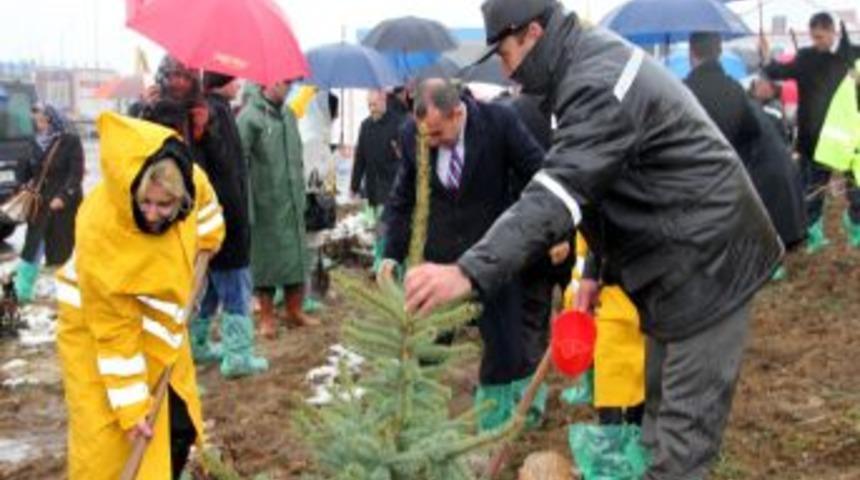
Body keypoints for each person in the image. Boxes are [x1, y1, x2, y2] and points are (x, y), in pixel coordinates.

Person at [403, 1, 782, 478]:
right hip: (675, 258)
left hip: (708, 258)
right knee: (660, 412)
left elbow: (559, 191)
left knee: (682, 442)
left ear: (533, 34)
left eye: (503, 53)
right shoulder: (577, 71)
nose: (504, 69)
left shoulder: (599, 82)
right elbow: (605, 187)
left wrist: (468, 270)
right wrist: (594, 271)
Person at [55, 112, 225, 479]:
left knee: (177, 417)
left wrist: (209, 238)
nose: (151, 214)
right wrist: (131, 407)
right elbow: (115, 333)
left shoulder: (189, 179)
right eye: (145, 202)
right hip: (95, 327)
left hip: (159, 322)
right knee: (110, 439)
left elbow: (207, 206)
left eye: (164, 206)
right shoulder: (101, 229)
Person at [380, 78, 549, 430]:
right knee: (426, 348)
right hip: (436, 261)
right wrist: (389, 253)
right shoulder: (415, 134)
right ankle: (419, 425)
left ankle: (494, 429)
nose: (431, 143)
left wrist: (548, 232)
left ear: (457, 113)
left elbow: (542, 176)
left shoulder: (499, 123)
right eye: (425, 135)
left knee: (504, 349)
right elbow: (401, 199)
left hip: (491, 260)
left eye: (438, 134)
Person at [190, 71, 269, 377]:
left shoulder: (205, 112)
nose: (239, 83)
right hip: (226, 217)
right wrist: (236, 219)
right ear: (223, 81)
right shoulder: (218, 114)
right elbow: (227, 171)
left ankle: (197, 342)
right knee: (236, 285)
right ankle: (238, 356)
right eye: (234, 78)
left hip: (210, 216)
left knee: (210, 285)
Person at [761, 12, 860, 251]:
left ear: (832, 31)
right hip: (815, 137)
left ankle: (855, 223)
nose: (816, 42)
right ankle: (813, 231)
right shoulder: (806, 58)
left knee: (856, 185)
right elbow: (777, 72)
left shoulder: (852, 54)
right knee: (813, 189)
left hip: (848, 137)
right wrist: (765, 56)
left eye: (820, 37)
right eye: (813, 37)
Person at [238, 80, 320, 338]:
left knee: (295, 256)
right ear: (269, 81)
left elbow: (297, 156)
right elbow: (240, 164)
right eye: (284, 82)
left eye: (290, 83)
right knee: (266, 261)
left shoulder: (289, 115)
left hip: (292, 199)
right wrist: (248, 202)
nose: (288, 88)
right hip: (265, 202)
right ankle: (266, 317)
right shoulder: (250, 117)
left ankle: (294, 311)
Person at [13, 103, 83, 303]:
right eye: (37, 121)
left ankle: (71, 293)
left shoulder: (70, 141)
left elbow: (75, 173)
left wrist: (64, 196)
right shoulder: (32, 142)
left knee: (64, 250)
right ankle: (22, 291)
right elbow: (24, 172)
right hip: (39, 204)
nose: (39, 124)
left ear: (53, 120)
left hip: (63, 207)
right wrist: (22, 185)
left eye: (43, 120)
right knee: (33, 246)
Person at [351, 89, 406, 270]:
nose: (371, 109)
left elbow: (404, 157)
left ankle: (382, 261)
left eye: (374, 105)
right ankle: (380, 257)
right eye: (369, 105)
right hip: (372, 185)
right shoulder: (365, 125)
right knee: (377, 225)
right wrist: (354, 185)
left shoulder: (398, 123)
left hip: (391, 184)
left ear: (384, 101)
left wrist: (398, 153)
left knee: (385, 225)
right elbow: (360, 157)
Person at [685, 32, 760, 155]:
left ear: (691, 53)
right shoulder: (736, 89)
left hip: (689, 169)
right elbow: (753, 131)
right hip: (727, 167)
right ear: (719, 52)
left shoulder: (683, 91)